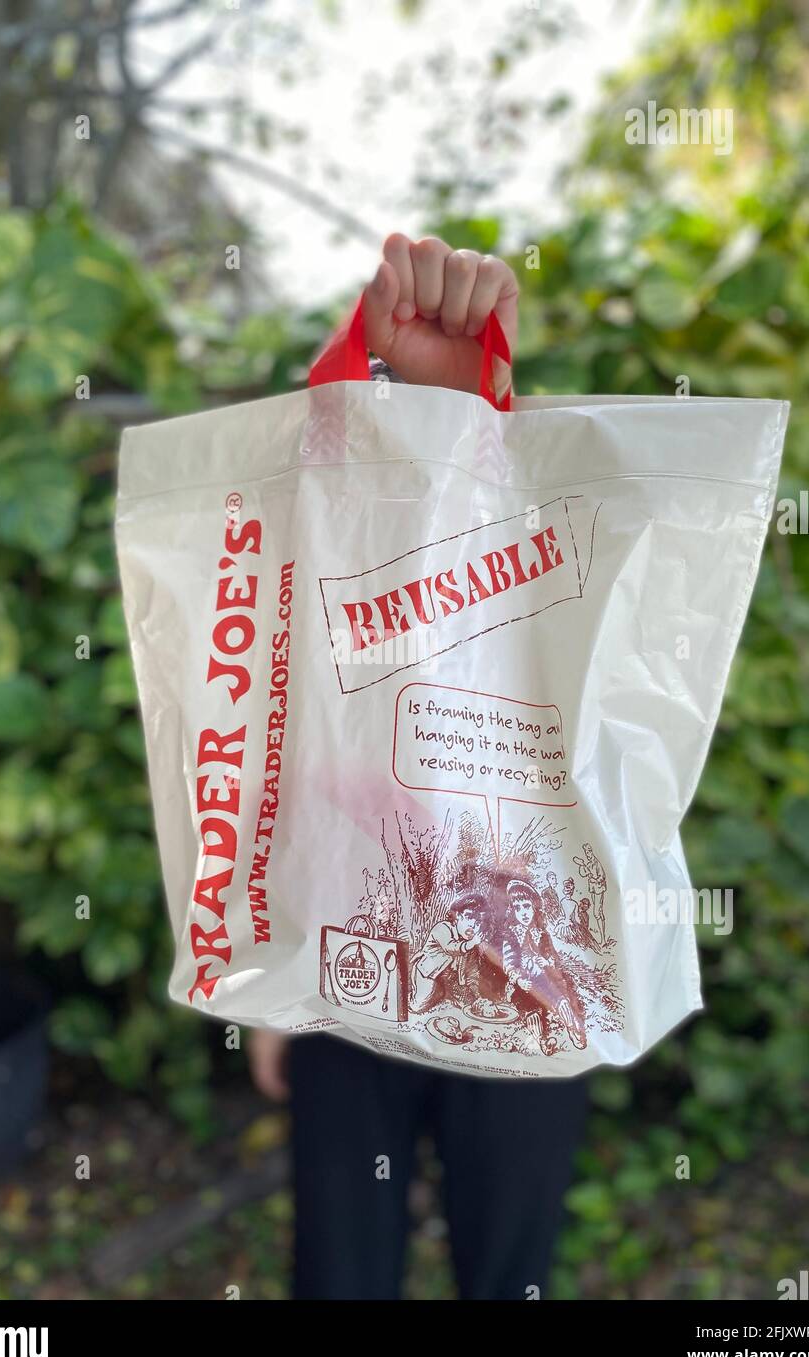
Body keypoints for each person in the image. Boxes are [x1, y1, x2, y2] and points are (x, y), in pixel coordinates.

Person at [248, 233, 589, 1301]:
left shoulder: (542, 538)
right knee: (341, 1271)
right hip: (344, 970)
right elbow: (272, 745)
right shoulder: (292, 566)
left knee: (511, 1270)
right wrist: (272, 978)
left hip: (527, 963)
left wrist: (467, 418)